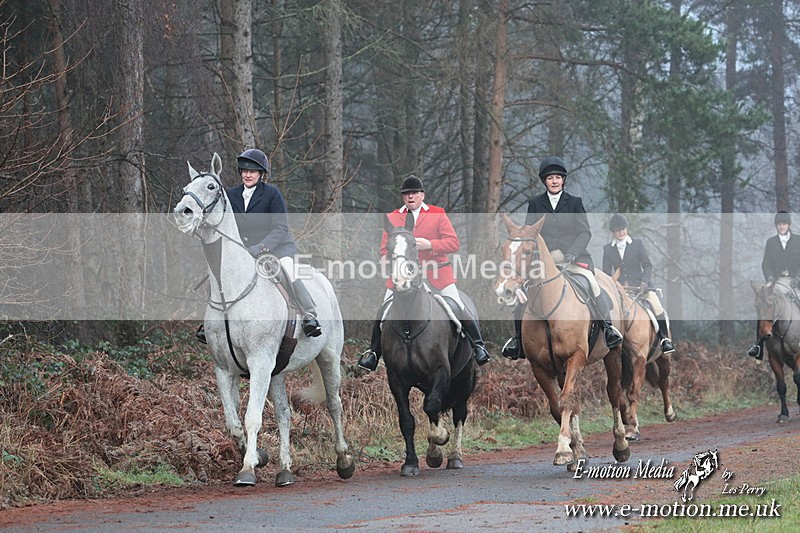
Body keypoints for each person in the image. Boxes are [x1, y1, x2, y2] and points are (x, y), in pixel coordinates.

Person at [357, 175, 490, 370]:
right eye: (406, 194)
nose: (410, 197)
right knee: (383, 310)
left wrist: (430, 245)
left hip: (437, 274)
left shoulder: (437, 213)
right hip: (404, 277)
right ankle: (373, 353)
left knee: (459, 307)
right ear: (403, 197)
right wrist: (386, 260)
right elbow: (384, 250)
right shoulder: (393, 217)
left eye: (414, 193)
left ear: (422, 195)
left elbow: (453, 243)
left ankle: (478, 346)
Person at [501, 156, 623, 359]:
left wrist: (573, 252)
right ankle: (517, 341)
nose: (555, 181)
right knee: (524, 293)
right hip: (544, 261)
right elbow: (529, 234)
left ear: (563, 180)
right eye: (550, 178)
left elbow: (585, 233)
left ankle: (608, 329)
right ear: (544, 181)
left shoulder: (575, 203)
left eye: (558, 177)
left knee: (592, 284)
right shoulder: (535, 203)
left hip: (573, 258)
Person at [196, 148, 321, 343]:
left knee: (289, 269)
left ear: (261, 174)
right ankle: (212, 324)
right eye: (244, 171)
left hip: (276, 248)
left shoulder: (272, 194)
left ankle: (309, 315)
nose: (247, 174)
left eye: (252, 171)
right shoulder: (231, 195)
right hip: (243, 252)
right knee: (221, 274)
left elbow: (281, 228)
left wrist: (260, 247)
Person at [602, 213, 674, 354]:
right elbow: (606, 272)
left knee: (656, 306)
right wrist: (613, 286)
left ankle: (664, 339)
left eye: (623, 229)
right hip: (620, 289)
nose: (621, 232)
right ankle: (609, 338)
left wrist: (644, 282)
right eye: (618, 230)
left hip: (641, 286)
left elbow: (647, 265)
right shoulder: (608, 249)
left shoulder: (637, 244)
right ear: (613, 232)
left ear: (626, 229)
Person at [747, 210, 800, 359]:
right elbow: (766, 263)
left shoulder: (798, 240)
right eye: (779, 224)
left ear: (788, 225)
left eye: (784, 224)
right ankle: (758, 345)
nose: (781, 226)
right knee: (763, 304)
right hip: (775, 282)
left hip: (795, 282)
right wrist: (770, 278)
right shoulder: (771, 242)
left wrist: (798, 278)